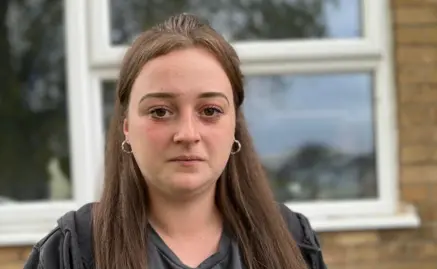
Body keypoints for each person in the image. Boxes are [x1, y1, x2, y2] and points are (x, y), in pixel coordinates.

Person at [24, 13, 327, 269]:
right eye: (160, 111)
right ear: (127, 127)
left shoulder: (290, 239)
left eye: (210, 111)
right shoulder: (74, 249)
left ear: (235, 125)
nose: (187, 134)